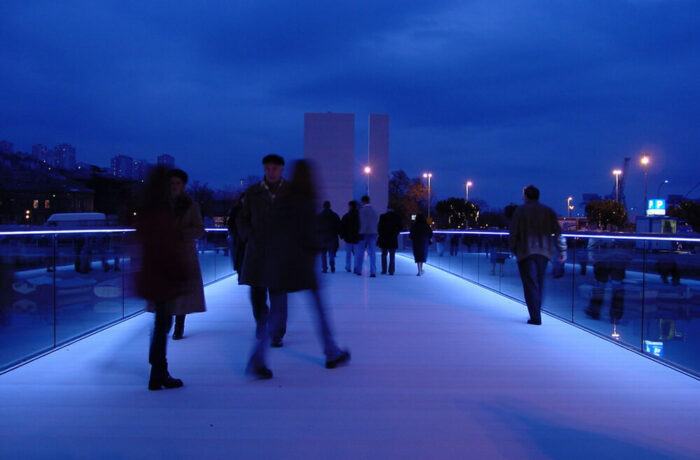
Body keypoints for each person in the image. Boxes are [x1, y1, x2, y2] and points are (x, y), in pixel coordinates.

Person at [246, 160, 350, 379]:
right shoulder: (306, 201)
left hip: (277, 265)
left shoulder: (282, 199)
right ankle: (331, 352)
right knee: (319, 310)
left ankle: (258, 358)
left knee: (276, 315)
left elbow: (270, 230)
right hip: (300, 266)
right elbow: (309, 236)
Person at [136, 167, 188, 390]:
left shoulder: (148, 206)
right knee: (162, 323)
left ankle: (158, 371)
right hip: (163, 272)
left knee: (161, 322)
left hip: (152, 271)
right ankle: (158, 373)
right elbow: (165, 243)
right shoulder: (161, 209)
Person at [237, 154, 289, 358]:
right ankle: (262, 324)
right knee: (257, 294)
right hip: (257, 250)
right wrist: (249, 236)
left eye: (275, 168)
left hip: (280, 251)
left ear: (281, 169)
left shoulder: (290, 192)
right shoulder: (253, 193)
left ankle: (276, 333)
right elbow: (242, 219)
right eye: (268, 169)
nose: (271, 172)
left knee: (278, 295)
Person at [508, 185, 566, 325]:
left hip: (526, 252)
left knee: (530, 284)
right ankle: (537, 311)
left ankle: (535, 316)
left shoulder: (520, 211)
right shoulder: (548, 211)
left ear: (526, 196)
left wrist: (514, 249)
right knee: (539, 282)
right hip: (544, 252)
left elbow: (513, 232)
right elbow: (558, 233)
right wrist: (562, 251)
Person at [167, 169, 206, 340]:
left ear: (183, 186)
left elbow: (199, 229)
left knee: (181, 292)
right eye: (172, 184)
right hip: (164, 254)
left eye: (177, 184)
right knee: (165, 290)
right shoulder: (161, 204)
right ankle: (164, 323)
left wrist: (181, 233)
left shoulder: (191, 205)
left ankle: (179, 326)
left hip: (183, 254)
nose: (174, 187)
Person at [354, 195, 379, 277]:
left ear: (363, 201)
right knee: (372, 253)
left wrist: (361, 232)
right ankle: (373, 271)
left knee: (360, 252)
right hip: (373, 233)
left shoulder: (361, 211)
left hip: (364, 233)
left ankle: (358, 270)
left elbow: (362, 222)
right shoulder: (374, 211)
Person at [317, 201, 341, 273]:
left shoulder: (319, 216)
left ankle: (324, 268)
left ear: (323, 206)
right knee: (331, 252)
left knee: (323, 253)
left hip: (322, 236)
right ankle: (332, 264)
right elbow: (338, 226)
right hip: (332, 236)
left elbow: (316, 227)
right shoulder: (335, 215)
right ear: (329, 206)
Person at [377, 207, 402, 275]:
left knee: (384, 255)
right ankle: (391, 270)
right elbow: (400, 227)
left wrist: (381, 235)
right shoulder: (397, 217)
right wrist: (396, 233)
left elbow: (379, 227)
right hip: (393, 238)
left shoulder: (383, 217)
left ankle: (384, 270)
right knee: (392, 255)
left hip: (384, 238)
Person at [227, 193, 246, 274]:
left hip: (244, 236)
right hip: (238, 236)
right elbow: (230, 223)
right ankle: (240, 272)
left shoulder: (251, 209)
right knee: (239, 255)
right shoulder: (236, 209)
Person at [340, 200, 360, 273]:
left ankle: (348, 267)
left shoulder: (346, 216)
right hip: (357, 238)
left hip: (348, 238)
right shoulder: (359, 215)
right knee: (357, 254)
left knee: (348, 254)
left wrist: (342, 235)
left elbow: (342, 226)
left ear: (351, 206)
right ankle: (356, 267)